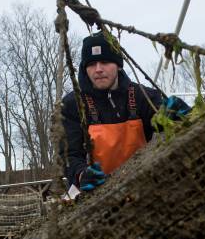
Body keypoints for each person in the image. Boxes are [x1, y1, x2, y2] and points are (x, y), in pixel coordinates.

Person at [61, 31, 190, 192]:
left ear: (118, 64)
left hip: (141, 184)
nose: (98, 69)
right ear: (85, 68)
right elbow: (69, 156)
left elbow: (170, 123)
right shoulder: (73, 104)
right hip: (94, 192)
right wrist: (81, 174)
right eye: (92, 64)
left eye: (105, 62)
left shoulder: (142, 96)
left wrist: (177, 115)